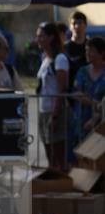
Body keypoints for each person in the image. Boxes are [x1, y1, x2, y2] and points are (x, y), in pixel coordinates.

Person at [36, 21, 69, 169]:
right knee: (49, 152)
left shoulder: (60, 59)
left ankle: (61, 185)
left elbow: (60, 90)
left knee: (58, 154)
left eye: (41, 36)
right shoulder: (45, 59)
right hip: (44, 111)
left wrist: (55, 115)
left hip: (55, 112)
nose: (38, 40)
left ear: (50, 38)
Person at [72, 36, 105, 140]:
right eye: (86, 50)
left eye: (91, 51)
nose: (87, 53)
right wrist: (95, 103)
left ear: (102, 53)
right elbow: (76, 93)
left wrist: (96, 117)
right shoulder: (83, 71)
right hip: (82, 120)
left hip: (102, 122)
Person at [65, 10, 88, 89]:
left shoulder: (91, 46)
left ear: (85, 25)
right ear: (70, 26)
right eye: (74, 23)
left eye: (80, 23)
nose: (77, 26)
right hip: (71, 91)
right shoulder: (65, 48)